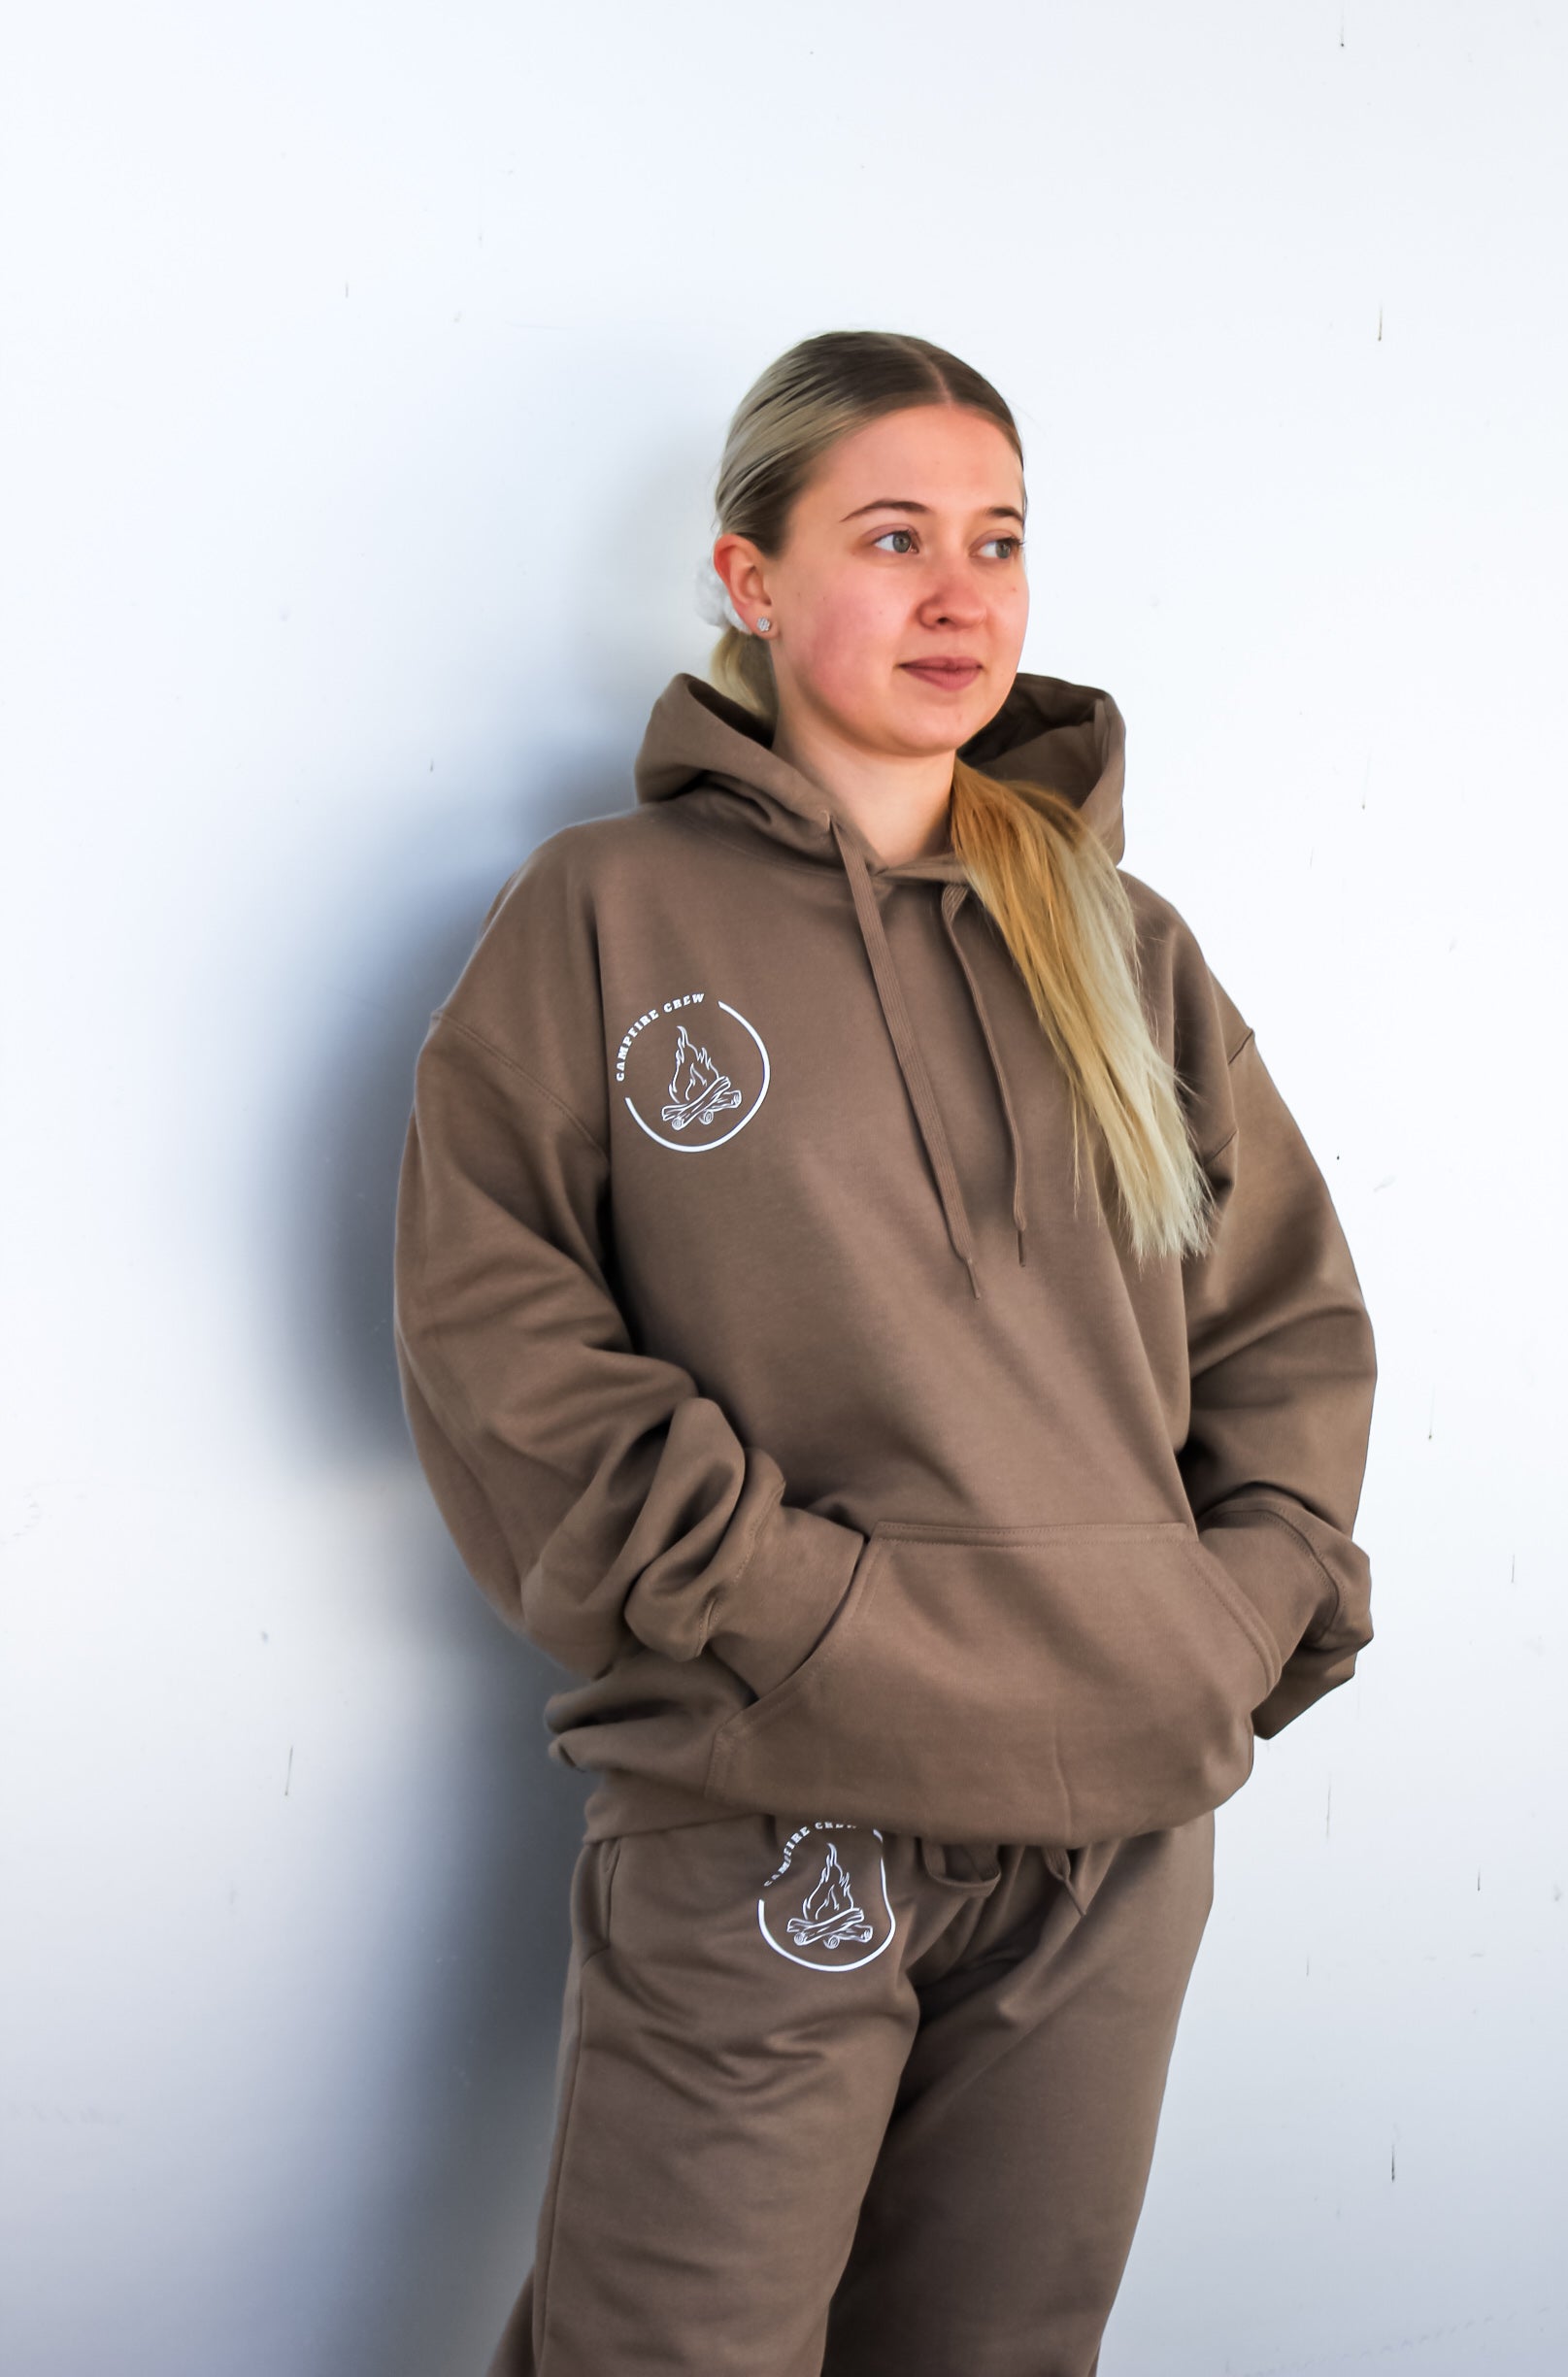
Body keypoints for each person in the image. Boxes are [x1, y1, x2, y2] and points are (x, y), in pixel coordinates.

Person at [391, 328, 1378, 2377]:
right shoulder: (607, 915)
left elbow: (1286, 1324)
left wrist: (1228, 1615)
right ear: (750, 579)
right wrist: (781, 1607)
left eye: (997, 541)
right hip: (774, 1788)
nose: (960, 595)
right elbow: (495, 1318)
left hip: (1111, 1819)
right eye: (894, 537)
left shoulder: (1124, 946)